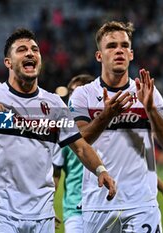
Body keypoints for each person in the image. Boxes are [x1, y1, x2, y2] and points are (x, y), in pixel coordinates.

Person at [0, 28, 116, 233]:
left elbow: (79, 146)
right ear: (8, 62)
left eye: (35, 50)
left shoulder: (54, 104)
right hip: (0, 212)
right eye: (22, 50)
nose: (30, 53)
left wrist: (101, 170)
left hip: (42, 214)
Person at [69, 21, 163, 232]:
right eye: (111, 46)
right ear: (99, 56)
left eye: (124, 45)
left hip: (142, 203)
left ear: (131, 54)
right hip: (98, 203)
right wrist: (106, 115)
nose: (119, 50)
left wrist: (150, 108)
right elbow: (80, 141)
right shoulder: (83, 94)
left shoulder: (148, 92)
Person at [53, 74, 95, 233]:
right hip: (74, 210)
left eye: (78, 92)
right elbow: (55, 173)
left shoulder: (106, 126)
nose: (73, 96)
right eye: (71, 92)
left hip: (103, 206)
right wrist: (47, 207)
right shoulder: (64, 129)